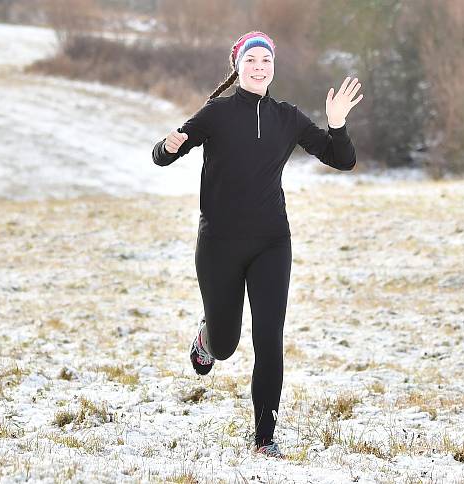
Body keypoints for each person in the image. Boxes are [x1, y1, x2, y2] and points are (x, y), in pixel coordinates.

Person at [151, 31, 363, 458]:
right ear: (238, 66)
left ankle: (265, 438)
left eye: (266, 60)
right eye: (251, 60)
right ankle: (207, 337)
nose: (259, 66)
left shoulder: (288, 117)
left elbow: (341, 159)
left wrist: (336, 123)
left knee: (269, 338)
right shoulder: (216, 114)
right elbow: (164, 154)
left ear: (273, 67)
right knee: (226, 346)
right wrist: (167, 146)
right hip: (218, 244)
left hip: (271, 243)